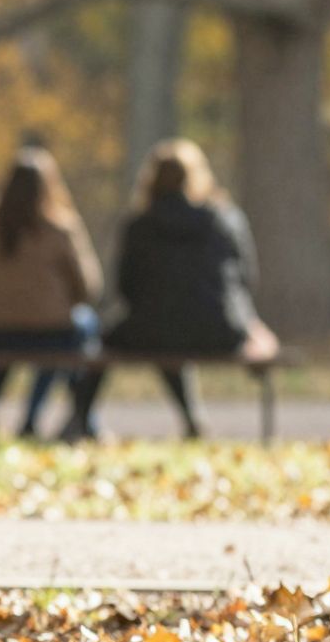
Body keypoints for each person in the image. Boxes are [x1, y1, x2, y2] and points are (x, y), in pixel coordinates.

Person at [65, 140, 278, 440]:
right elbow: (246, 278)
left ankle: (78, 419)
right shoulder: (224, 220)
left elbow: (126, 287)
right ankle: (192, 419)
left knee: (116, 338)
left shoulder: (139, 224)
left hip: (151, 329)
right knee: (175, 326)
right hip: (219, 328)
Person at [0, 147, 103, 440]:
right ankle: (63, 417)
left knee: (34, 338)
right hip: (50, 332)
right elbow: (88, 287)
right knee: (77, 332)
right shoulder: (59, 227)